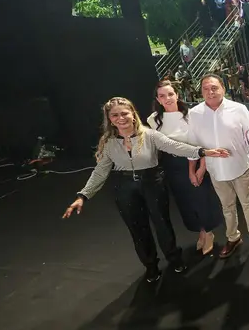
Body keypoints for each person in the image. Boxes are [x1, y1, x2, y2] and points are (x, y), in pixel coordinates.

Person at [63, 97, 229, 283]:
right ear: (110, 119)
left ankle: (174, 259)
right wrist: (83, 195)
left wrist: (202, 152)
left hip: (152, 183)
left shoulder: (149, 135)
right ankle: (151, 266)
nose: (121, 118)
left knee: (162, 225)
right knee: (137, 230)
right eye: (115, 115)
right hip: (124, 188)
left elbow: (175, 146)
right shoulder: (108, 143)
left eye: (124, 113)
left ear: (133, 114)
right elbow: (100, 171)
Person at [189, 74, 249, 260]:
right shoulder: (195, 114)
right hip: (216, 171)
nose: (210, 92)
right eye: (206, 89)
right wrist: (198, 168)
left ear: (223, 88)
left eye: (214, 87)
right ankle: (233, 238)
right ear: (201, 92)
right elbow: (194, 145)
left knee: (248, 203)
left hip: (240, 167)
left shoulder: (238, 109)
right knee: (227, 206)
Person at [147, 80, 222, 256]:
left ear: (177, 95)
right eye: (162, 96)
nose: (167, 99)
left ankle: (208, 232)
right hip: (171, 166)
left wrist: (201, 168)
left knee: (201, 198)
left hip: (195, 161)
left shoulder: (192, 115)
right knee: (185, 202)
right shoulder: (153, 120)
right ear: (158, 99)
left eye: (170, 94)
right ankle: (201, 232)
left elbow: (203, 143)